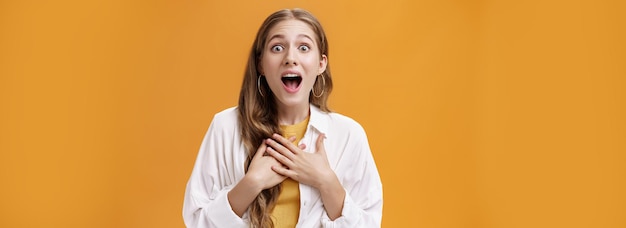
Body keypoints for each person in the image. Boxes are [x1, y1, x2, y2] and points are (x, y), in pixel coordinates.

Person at [182, 8, 383, 228]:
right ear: (261, 64)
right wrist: (251, 183)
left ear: (321, 64)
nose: (290, 58)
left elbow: (369, 223)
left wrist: (326, 181)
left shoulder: (349, 135)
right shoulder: (225, 127)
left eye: (304, 48)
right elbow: (196, 220)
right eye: (277, 48)